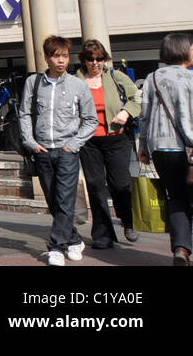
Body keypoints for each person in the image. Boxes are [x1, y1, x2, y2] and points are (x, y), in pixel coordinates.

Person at [18, 35, 97, 266]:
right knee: (54, 200)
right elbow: (24, 114)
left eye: (64, 56)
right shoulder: (33, 83)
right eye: (56, 56)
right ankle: (74, 239)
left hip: (67, 150)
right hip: (42, 149)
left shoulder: (78, 85)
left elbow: (91, 120)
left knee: (65, 198)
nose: (61, 61)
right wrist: (30, 142)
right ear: (46, 57)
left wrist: (73, 144)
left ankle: (56, 246)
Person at [73, 39, 141, 248]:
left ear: (105, 59)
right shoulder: (75, 81)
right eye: (91, 59)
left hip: (116, 137)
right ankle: (103, 234)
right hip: (89, 140)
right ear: (83, 60)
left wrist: (126, 112)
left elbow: (137, 96)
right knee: (95, 186)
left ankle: (128, 221)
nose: (95, 63)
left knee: (120, 184)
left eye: (100, 58)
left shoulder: (114, 76)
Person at [137, 32, 193, 266]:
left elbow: (145, 116)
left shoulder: (152, 78)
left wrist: (142, 147)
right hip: (188, 149)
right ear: (183, 50)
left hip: (160, 148)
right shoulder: (190, 79)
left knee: (177, 198)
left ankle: (181, 248)